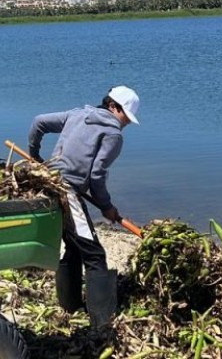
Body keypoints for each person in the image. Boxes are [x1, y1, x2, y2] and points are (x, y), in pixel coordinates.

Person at [27, 85, 140, 329]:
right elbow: (97, 175)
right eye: (126, 117)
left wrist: (35, 157)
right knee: (95, 254)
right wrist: (106, 207)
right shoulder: (113, 135)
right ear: (113, 107)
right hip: (68, 190)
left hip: (49, 183)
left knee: (74, 245)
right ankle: (102, 322)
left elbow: (38, 122)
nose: (126, 124)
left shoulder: (77, 115)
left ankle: (70, 306)